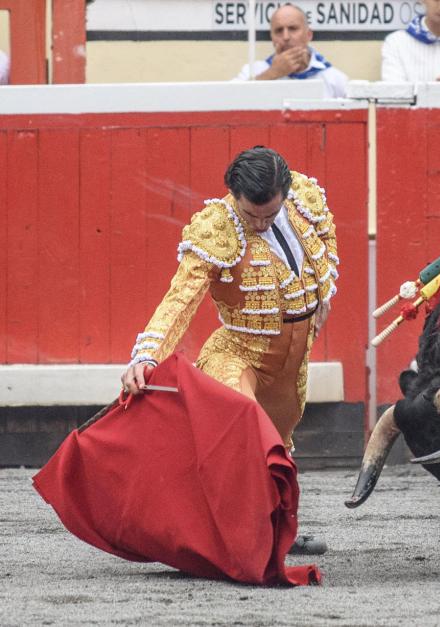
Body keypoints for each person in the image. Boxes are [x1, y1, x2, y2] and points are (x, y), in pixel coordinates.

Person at [121, 146, 338, 555]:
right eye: (249, 214)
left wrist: (325, 290)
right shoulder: (216, 228)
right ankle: (223, 536)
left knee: (278, 446)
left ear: (285, 195)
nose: (258, 223)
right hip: (237, 351)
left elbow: (326, 240)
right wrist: (147, 354)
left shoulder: (305, 200)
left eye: (268, 216)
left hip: (292, 360)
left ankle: (275, 533)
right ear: (233, 195)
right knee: (244, 430)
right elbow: (181, 298)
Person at [234, 4, 348, 97]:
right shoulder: (253, 71)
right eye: (279, 30)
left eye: (293, 29)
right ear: (272, 38)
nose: (286, 37)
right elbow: (229, 99)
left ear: (308, 35)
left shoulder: (334, 79)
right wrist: (272, 73)